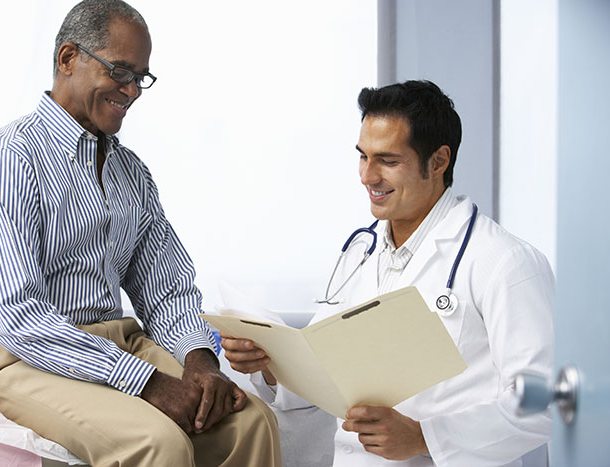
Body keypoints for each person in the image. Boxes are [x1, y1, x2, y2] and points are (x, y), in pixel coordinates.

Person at [0, 1, 281, 465]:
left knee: (252, 422)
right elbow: (20, 318)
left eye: (141, 76)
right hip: (13, 355)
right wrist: (149, 382)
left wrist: (200, 360)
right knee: (158, 441)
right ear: (67, 59)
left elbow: (166, 291)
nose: (132, 90)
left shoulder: (131, 172)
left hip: (115, 341)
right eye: (120, 71)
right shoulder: (8, 161)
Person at [222, 80, 554, 466]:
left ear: (438, 161)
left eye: (388, 161)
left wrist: (423, 437)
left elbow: (542, 402)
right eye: (363, 156)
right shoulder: (362, 253)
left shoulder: (504, 262)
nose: (368, 176)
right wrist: (270, 365)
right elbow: (326, 375)